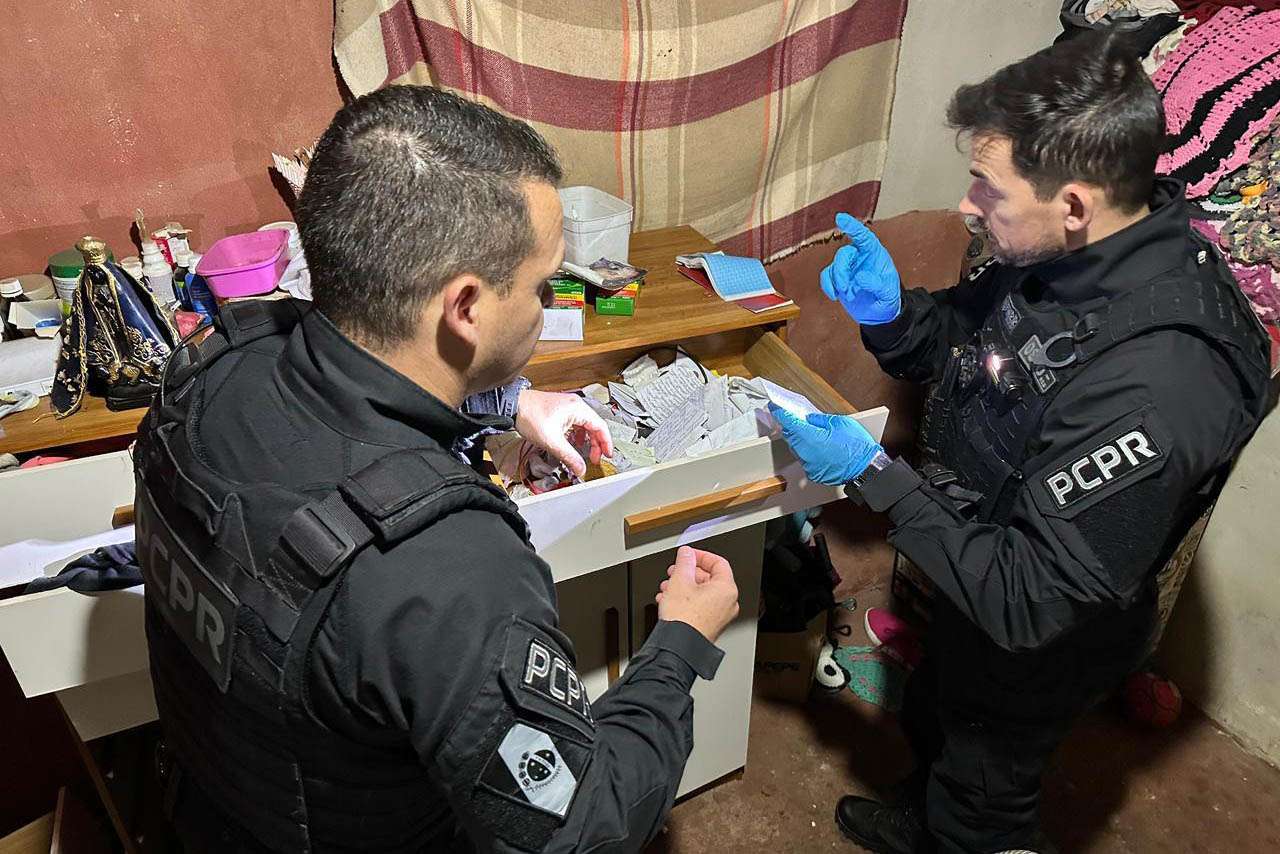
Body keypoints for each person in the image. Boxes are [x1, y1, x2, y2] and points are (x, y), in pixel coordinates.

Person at [133, 85, 740, 853]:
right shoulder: (451, 573)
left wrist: (509, 402)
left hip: (216, 807)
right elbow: (583, 830)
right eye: (542, 286)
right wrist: (681, 642)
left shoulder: (213, 370)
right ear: (466, 307)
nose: (545, 302)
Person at [771, 32, 1272, 854]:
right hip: (972, 551)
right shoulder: (1068, 250)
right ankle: (919, 819)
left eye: (988, 187)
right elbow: (978, 352)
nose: (967, 205)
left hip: (1038, 622)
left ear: (1073, 202)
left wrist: (875, 475)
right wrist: (891, 317)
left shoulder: (1166, 381)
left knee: (983, 784)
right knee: (934, 709)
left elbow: (1030, 598)